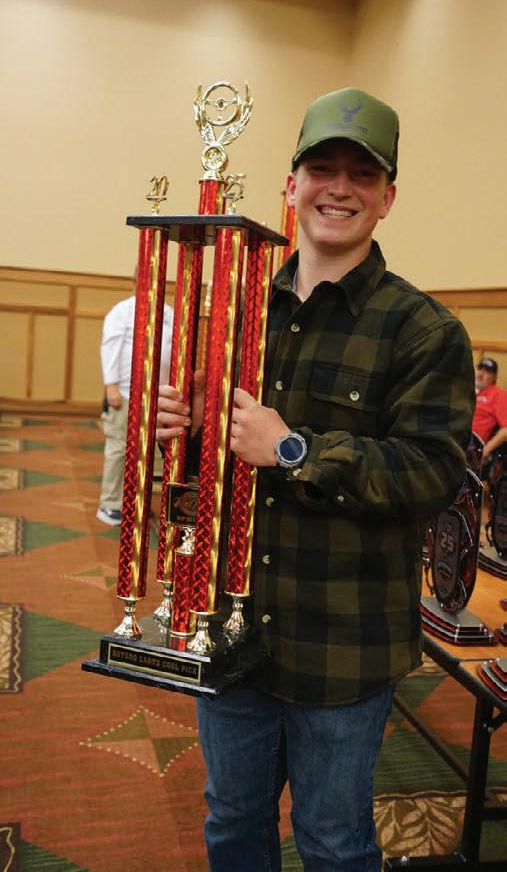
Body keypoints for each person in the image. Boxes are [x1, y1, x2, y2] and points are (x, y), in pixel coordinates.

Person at [156, 87, 475, 871]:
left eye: (362, 174)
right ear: (290, 183)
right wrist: (184, 433)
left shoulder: (424, 330)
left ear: (387, 198)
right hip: (234, 629)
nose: (339, 188)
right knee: (233, 821)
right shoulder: (236, 312)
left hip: (343, 645)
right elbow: (207, 483)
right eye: (321, 168)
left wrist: (294, 449)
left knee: (333, 842)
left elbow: (431, 474)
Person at [97, 287, 173, 525]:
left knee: (146, 451)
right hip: (124, 392)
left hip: (157, 395)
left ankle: (136, 501)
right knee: (119, 448)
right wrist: (111, 385)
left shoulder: (168, 313)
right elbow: (110, 348)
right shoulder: (122, 311)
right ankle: (110, 503)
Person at [472, 357, 507, 462]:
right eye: (479, 369)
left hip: (471, 446)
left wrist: (486, 450)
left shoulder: (498, 395)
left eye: (487, 371)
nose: (480, 374)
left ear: (494, 377)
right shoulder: (466, 390)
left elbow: (506, 429)